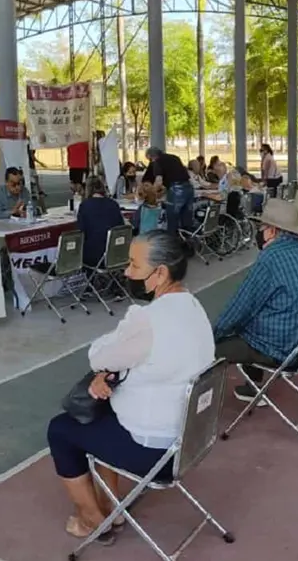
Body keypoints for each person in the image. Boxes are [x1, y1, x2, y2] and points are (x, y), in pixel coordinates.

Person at [46, 231, 213, 542]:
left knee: (61, 429)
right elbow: (155, 364)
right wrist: (111, 373)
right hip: (192, 441)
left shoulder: (149, 319)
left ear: (160, 273)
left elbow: (98, 355)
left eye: (135, 266)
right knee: (102, 411)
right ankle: (112, 506)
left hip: (155, 453)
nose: (126, 273)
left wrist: (107, 365)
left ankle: (92, 519)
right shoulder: (194, 308)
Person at [213, 199, 298, 403]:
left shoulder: (270, 259)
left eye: (261, 227)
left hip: (278, 348)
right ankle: (252, 387)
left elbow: (240, 306)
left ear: (272, 231)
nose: (259, 232)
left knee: (215, 346)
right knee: (258, 319)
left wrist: (213, 334)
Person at [77, 177, 126, 268]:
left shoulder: (85, 205)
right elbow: (121, 228)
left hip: (93, 255)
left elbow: (81, 232)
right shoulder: (113, 204)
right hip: (115, 253)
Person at [143, 147, 194, 234]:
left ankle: (171, 240)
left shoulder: (157, 162)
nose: (150, 162)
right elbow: (174, 177)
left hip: (177, 190)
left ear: (152, 157)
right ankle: (187, 239)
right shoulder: (174, 157)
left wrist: (151, 194)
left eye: (150, 160)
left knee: (172, 219)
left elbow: (158, 182)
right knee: (187, 219)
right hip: (188, 188)